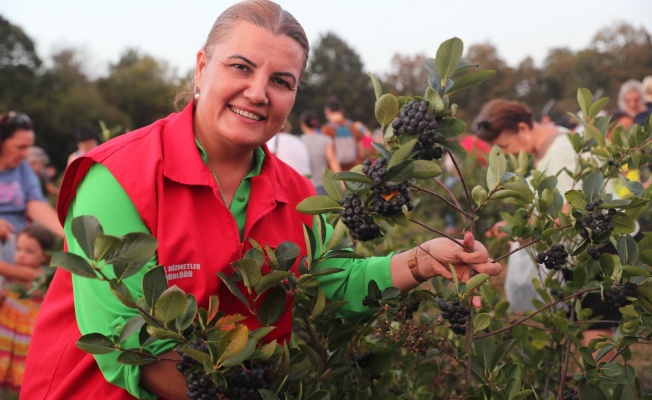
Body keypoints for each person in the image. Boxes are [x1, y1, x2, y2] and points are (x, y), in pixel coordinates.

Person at [22, 1, 500, 399]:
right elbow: (126, 338)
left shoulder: (293, 191)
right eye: (240, 67)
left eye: (281, 81)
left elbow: (330, 280)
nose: (257, 92)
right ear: (202, 68)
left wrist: (422, 259)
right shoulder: (119, 176)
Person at [474, 99, 618, 352]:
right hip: (581, 249)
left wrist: (518, 229)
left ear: (522, 128)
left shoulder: (561, 149)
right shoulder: (545, 150)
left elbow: (564, 212)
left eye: (505, 146)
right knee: (584, 321)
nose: (506, 154)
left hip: (597, 246)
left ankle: (599, 384)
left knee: (594, 325)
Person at [0, 112, 63, 287]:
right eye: (20, 147)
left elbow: (35, 204)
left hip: (17, 253)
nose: (26, 154)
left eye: (28, 147)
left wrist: (68, 233)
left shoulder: (22, 169)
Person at [0, 224, 54, 395]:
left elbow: (5, 269)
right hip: (8, 325)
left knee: (20, 363)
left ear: (44, 257)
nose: (20, 255)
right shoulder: (21, 271)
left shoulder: (36, 275)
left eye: (29, 251)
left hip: (24, 330)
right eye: (18, 249)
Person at [299, 110, 341, 194]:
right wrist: (340, 181)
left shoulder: (298, 141)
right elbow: (332, 159)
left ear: (303, 125)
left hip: (304, 185)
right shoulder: (326, 140)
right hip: (323, 184)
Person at [321, 97, 364, 170]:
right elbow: (360, 151)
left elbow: (330, 156)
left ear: (327, 111)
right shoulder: (352, 126)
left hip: (337, 171)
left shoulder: (327, 129)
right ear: (341, 110)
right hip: (354, 169)